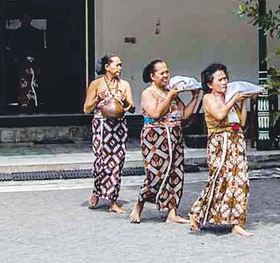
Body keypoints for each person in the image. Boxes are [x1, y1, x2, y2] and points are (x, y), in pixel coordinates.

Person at [130, 60, 202, 224]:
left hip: (175, 136)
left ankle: (172, 212)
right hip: (156, 137)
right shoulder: (149, 93)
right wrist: (170, 96)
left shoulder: (170, 92)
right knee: (156, 174)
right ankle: (139, 204)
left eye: (167, 72)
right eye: (161, 73)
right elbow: (155, 113)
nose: (166, 76)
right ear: (152, 76)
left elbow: (183, 116)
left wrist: (195, 97)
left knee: (176, 173)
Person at [189, 63, 252, 236]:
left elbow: (241, 121)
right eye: (220, 79)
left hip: (235, 141)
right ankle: (197, 213)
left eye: (225, 79)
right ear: (210, 84)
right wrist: (234, 99)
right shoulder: (209, 98)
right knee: (219, 180)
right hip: (220, 143)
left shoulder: (228, 98)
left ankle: (236, 221)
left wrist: (244, 102)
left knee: (239, 182)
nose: (224, 82)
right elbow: (219, 115)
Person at [83, 54, 135, 213]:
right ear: (107, 67)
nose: (120, 68)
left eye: (121, 65)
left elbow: (132, 109)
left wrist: (126, 102)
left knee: (117, 163)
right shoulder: (96, 84)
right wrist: (98, 99)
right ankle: (96, 192)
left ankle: (113, 200)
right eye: (117, 65)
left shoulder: (124, 84)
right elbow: (86, 109)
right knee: (101, 162)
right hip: (102, 126)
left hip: (118, 128)